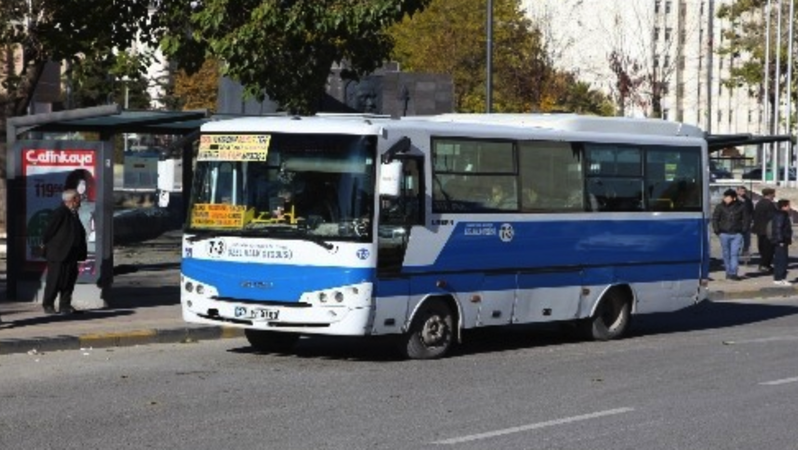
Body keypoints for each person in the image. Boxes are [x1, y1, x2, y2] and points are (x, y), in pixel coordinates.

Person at [40, 190, 88, 315]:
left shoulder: (73, 213)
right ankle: (48, 304)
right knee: (55, 280)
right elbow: (48, 231)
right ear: (73, 199)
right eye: (78, 198)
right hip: (58, 253)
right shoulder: (60, 212)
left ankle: (65, 305)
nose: (80, 200)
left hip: (71, 253)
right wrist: (45, 244)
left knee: (69, 280)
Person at [712, 188, 750, 281]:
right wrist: (717, 230)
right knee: (726, 254)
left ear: (733, 198)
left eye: (727, 197)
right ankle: (728, 272)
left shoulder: (741, 206)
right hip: (724, 233)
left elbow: (746, 219)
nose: (725, 198)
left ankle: (733, 273)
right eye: (724, 196)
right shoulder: (720, 207)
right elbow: (715, 219)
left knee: (734, 254)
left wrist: (743, 230)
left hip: (737, 233)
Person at [752, 187, 778, 272]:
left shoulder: (759, 203)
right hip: (767, 230)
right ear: (770, 194)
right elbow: (772, 217)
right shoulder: (769, 204)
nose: (774, 195)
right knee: (768, 249)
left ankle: (763, 264)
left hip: (760, 229)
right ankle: (765, 265)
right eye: (773, 193)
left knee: (762, 248)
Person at [770, 199, 793, 286]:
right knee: (781, 260)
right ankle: (778, 278)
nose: (790, 207)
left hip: (783, 240)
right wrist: (780, 240)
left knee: (783, 259)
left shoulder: (783, 214)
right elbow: (778, 228)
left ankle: (782, 278)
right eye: (788, 205)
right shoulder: (781, 215)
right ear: (784, 206)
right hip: (781, 241)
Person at [736, 185, 754, 261]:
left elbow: (751, 211)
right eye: (741, 191)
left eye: (744, 191)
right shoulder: (734, 200)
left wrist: (751, 220)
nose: (743, 192)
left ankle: (745, 255)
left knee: (747, 241)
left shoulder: (748, 200)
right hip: (736, 224)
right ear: (737, 191)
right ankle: (736, 255)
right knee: (738, 241)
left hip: (747, 223)